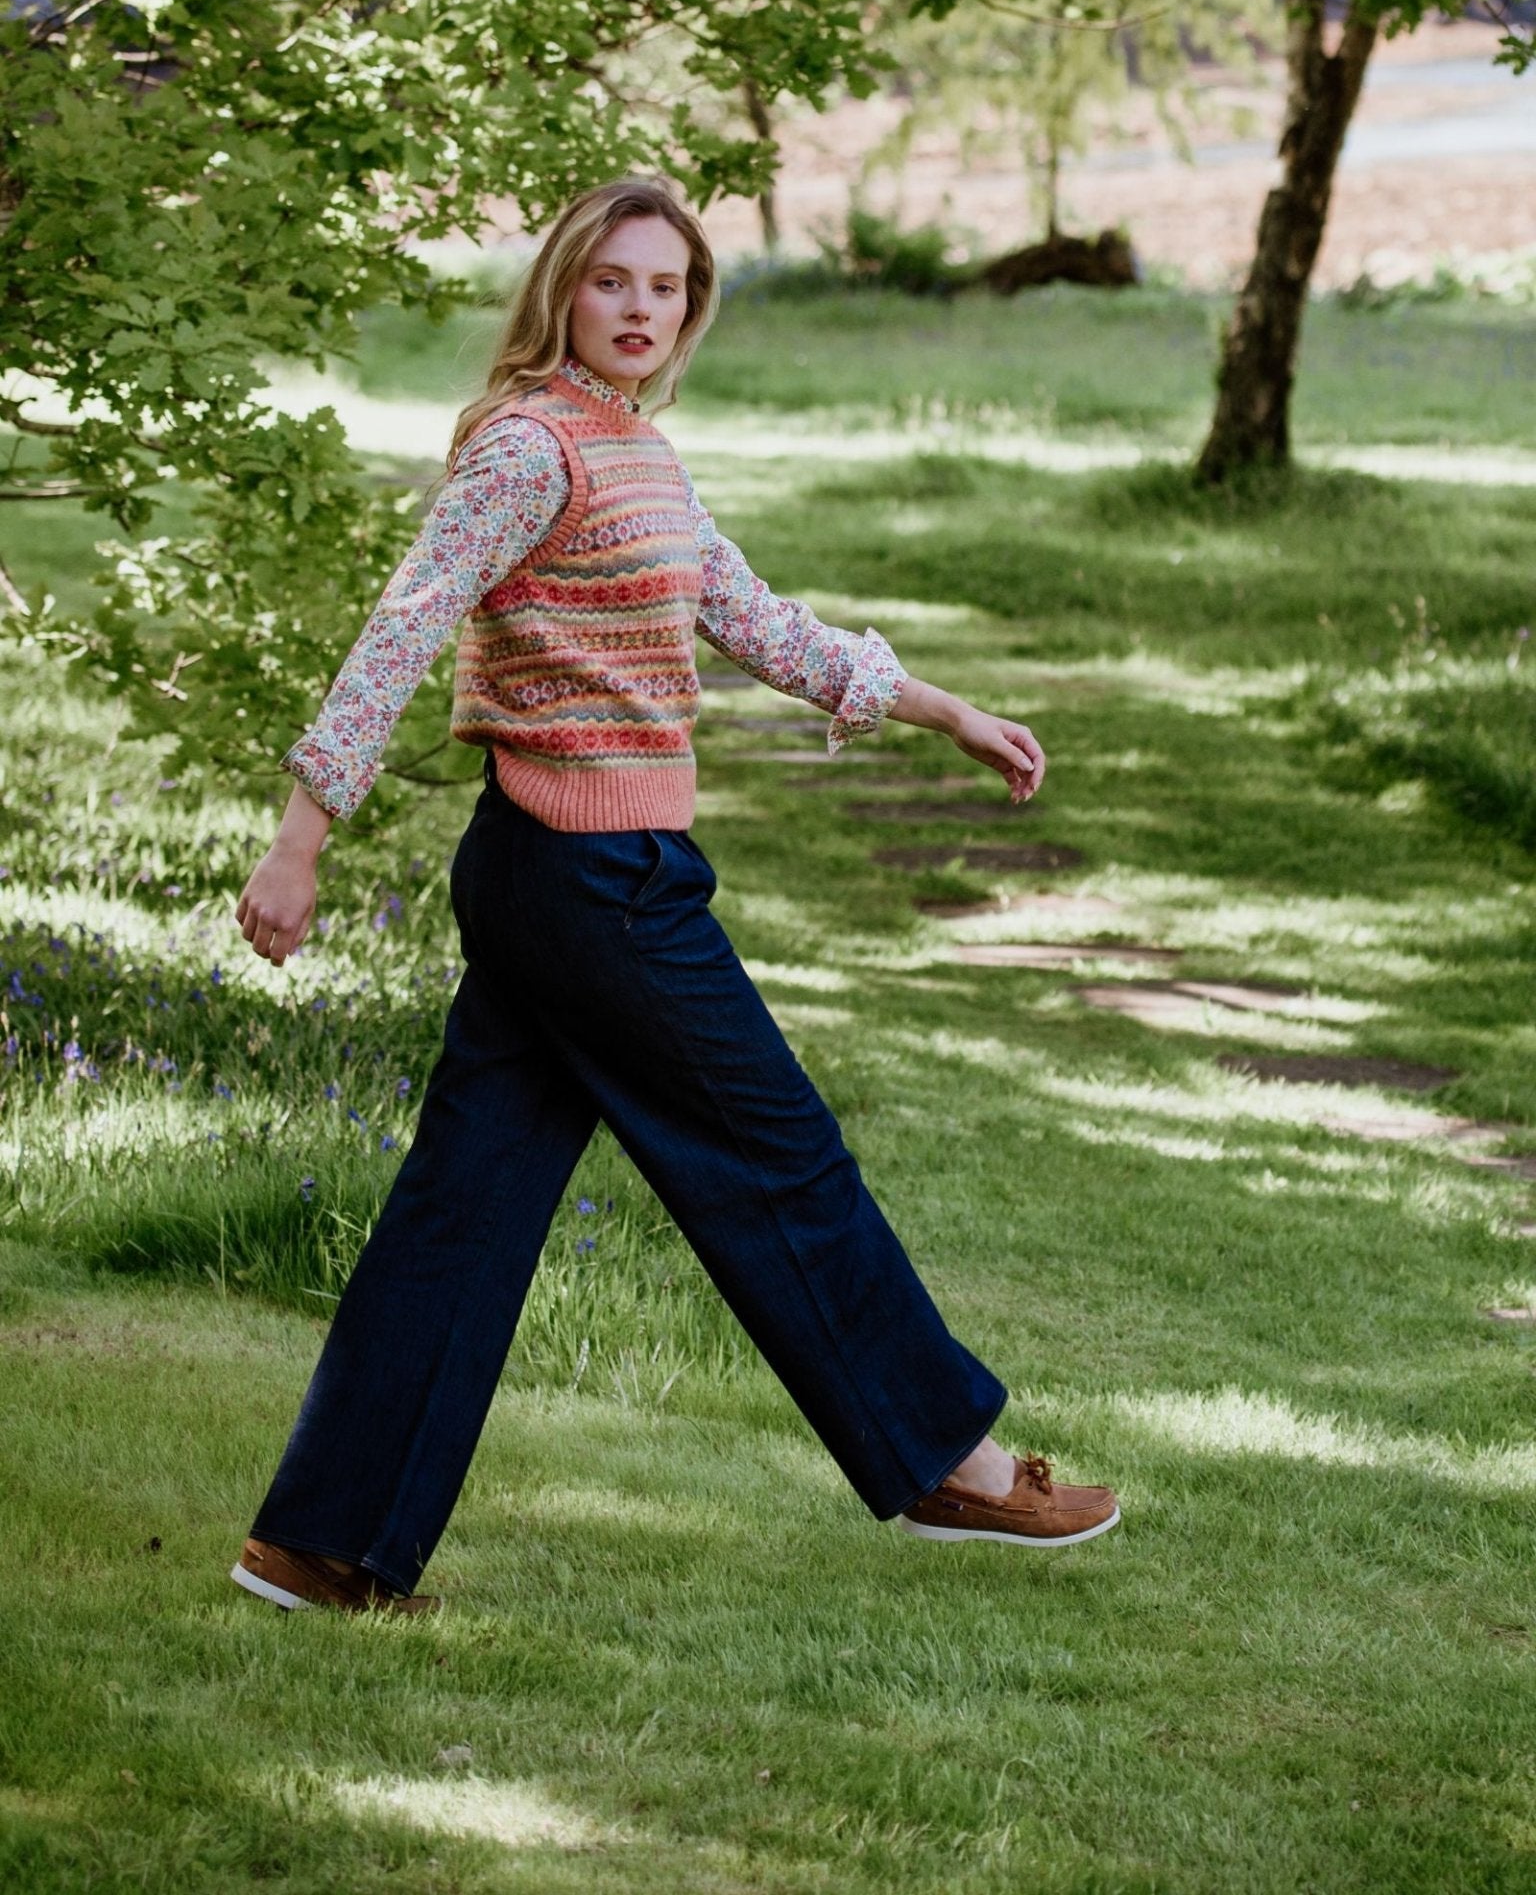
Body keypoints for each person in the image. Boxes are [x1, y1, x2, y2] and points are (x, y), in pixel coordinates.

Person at [230, 178, 1119, 1616]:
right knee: (778, 1155)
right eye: (614, 282)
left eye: (669, 287)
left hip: (574, 876)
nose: (643, 310)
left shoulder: (637, 450)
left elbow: (755, 620)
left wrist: (943, 710)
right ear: (562, 292)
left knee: (468, 1202)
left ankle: (321, 1544)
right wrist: (301, 838)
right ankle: (948, 1456)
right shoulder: (529, 449)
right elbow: (401, 629)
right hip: (586, 882)